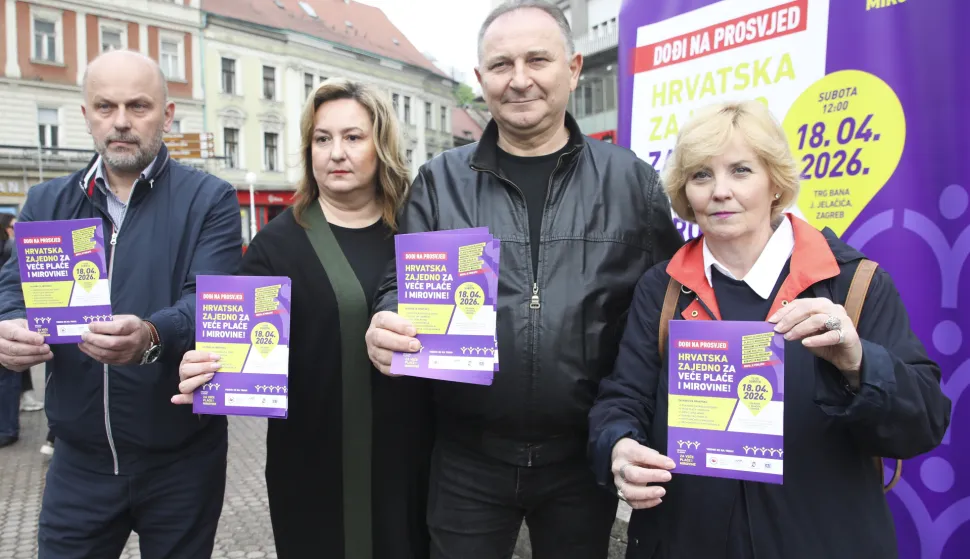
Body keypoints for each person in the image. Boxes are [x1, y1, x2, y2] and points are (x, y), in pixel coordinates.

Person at [365, 1, 683, 557]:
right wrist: (386, 319)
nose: (520, 80)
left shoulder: (631, 182)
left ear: (574, 67)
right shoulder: (439, 182)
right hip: (467, 456)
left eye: (538, 60)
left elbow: (670, 305)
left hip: (584, 457)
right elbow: (399, 285)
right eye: (502, 64)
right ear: (480, 78)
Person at [587, 100, 952, 558]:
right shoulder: (661, 290)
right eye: (701, 175)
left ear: (775, 183)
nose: (720, 191)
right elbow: (624, 396)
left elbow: (924, 424)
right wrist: (619, 447)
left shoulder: (854, 284)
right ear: (685, 191)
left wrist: (860, 364)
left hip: (821, 541)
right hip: (685, 539)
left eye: (740, 170)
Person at [172, 79, 434, 559]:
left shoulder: (420, 232)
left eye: (353, 137)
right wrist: (205, 369)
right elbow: (238, 345)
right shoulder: (277, 243)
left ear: (382, 145)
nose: (336, 152)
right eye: (322, 138)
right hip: (313, 462)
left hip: (413, 459)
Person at [0, 49, 241, 559]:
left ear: (167, 115)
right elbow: (12, 291)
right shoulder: (45, 203)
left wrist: (152, 336)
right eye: (105, 107)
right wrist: (9, 327)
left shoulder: (210, 199)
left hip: (181, 459)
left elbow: (212, 300)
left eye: (138, 106)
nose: (121, 122)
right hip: (78, 464)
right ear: (85, 113)